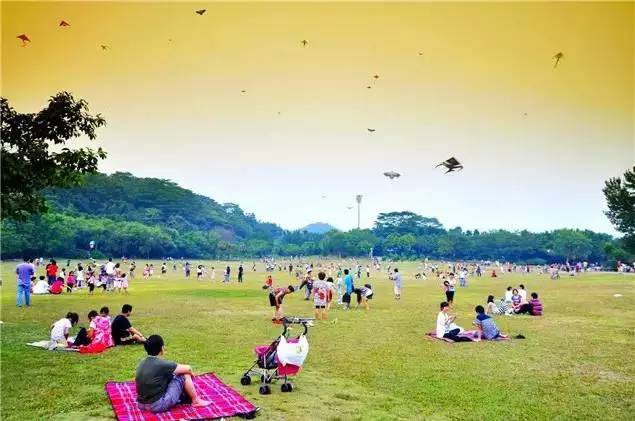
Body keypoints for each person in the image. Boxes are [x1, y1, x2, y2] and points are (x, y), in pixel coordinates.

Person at [136, 335, 211, 413]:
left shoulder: (142, 362)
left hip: (141, 404)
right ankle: (196, 400)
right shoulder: (161, 364)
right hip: (157, 405)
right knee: (184, 375)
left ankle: (186, 396)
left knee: (172, 375)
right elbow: (188, 368)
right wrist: (191, 373)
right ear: (162, 348)